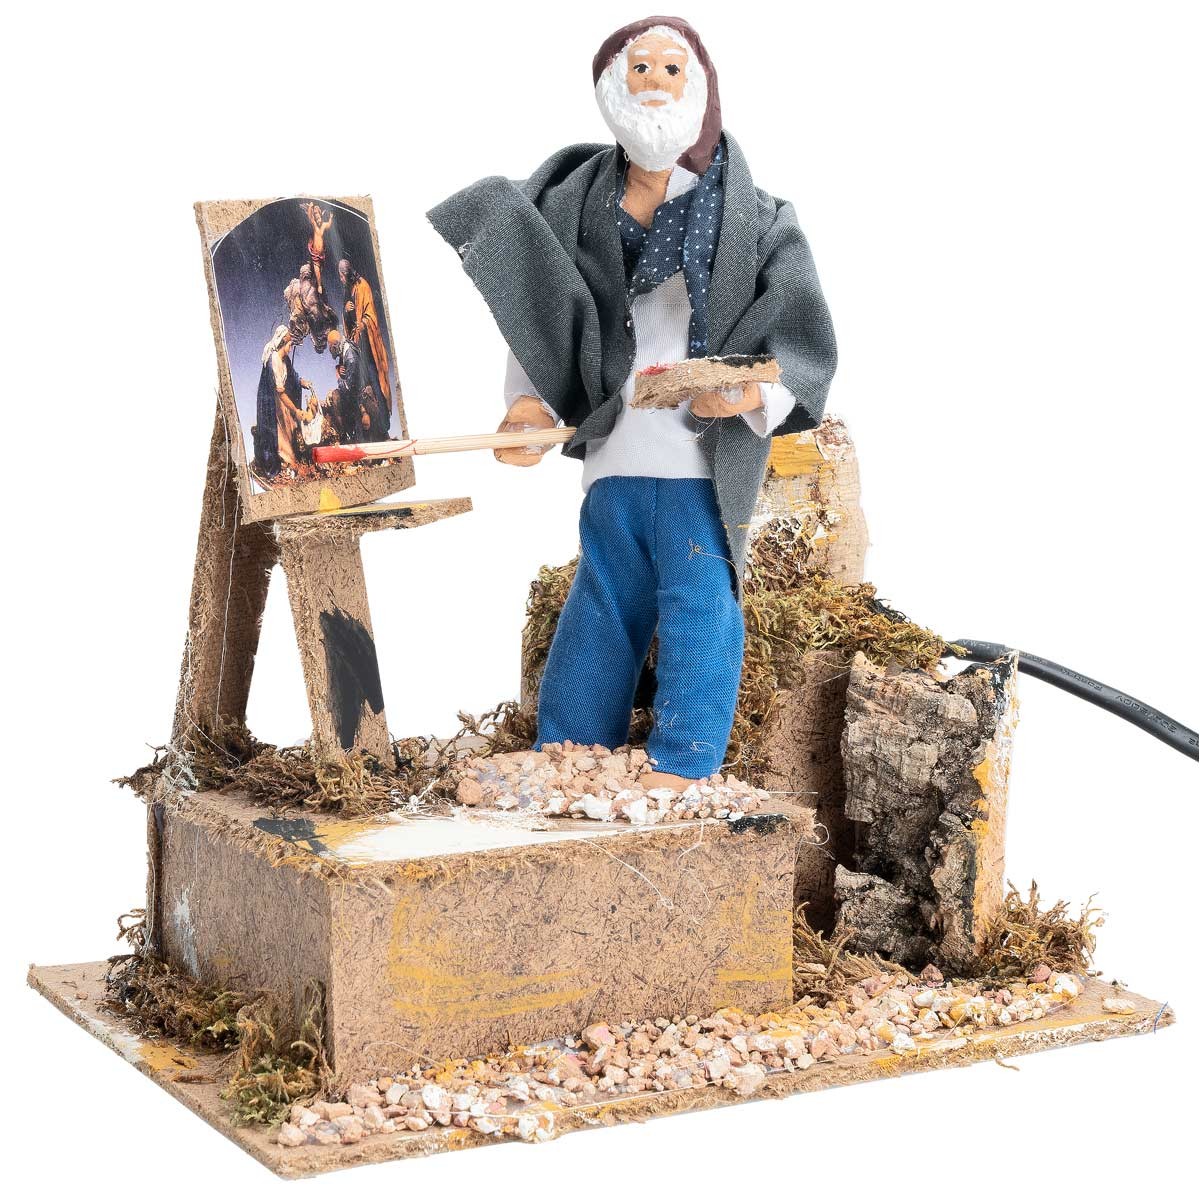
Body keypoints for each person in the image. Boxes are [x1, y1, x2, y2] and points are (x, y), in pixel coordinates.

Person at [428, 17, 837, 790]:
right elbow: (543, 315)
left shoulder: (756, 219)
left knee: (700, 602)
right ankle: (571, 747)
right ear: (611, 88)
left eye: (670, 69)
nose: (654, 82)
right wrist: (527, 407)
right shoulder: (574, 209)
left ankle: (685, 760)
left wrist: (751, 391)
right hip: (615, 450)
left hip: (696, 461)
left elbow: (801, 332)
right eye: (638, 68)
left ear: (700, 87)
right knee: (603, 602)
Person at [254, 325, 314, 480]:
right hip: (272, 404)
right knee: (278, 435)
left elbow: (292, 375)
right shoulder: (273, 360)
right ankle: (285, 462)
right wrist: (295, 410)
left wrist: (301, 382)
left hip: (281, 401)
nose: (291, 347)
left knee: (290, 427)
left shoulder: (284, 358)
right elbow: (280, 392)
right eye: (290, 344)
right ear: (283, 343)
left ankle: (291, 458)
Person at [338, 257, 393, 421]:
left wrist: (363, 323)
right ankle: (368, 420)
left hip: (368, 345)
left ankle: (384, 420)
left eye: (341, 276)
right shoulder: (347, 289)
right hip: (356, 343)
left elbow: (371, 315)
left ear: (346, 274)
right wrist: (346, 310)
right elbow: (347, 319)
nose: (340, 279)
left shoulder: (363, 286)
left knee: (374, 379)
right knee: (360, 383)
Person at [304, 201, 334, 294]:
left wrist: (330, 218)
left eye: (319, 217)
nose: (318, 220)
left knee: (319, 270)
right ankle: (319, 285)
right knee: (317, 270)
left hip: (322, 254)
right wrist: (310, 207)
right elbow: (310, 217)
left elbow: (329, 225)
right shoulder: (315, 226)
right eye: (316, 218)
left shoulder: (323, 225)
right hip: (315, 254)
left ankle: (316, 282)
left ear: (321, 215)